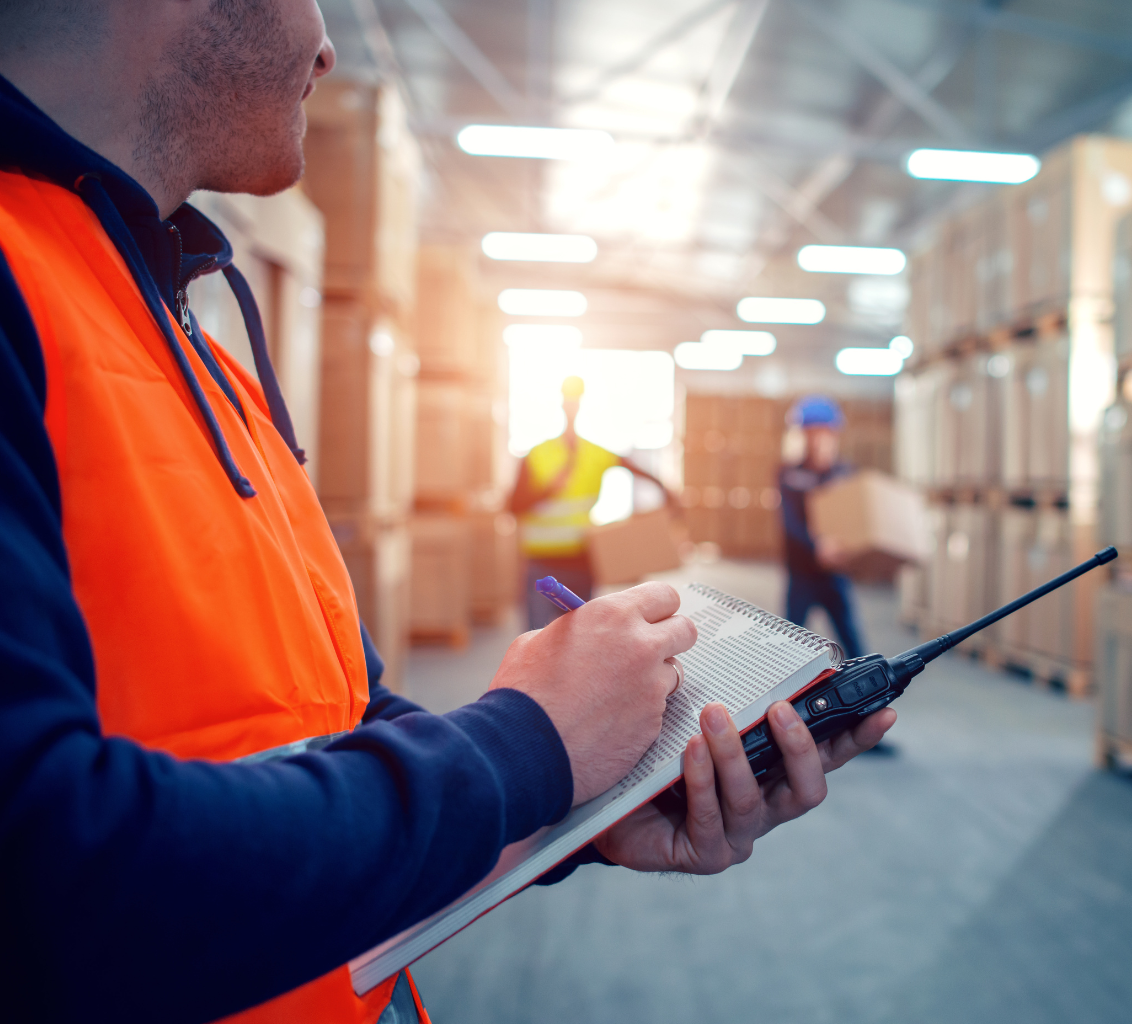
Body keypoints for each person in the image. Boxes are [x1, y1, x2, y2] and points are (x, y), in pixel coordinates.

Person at [0, 3, 896, 1023]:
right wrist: (528, 745)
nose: (330, 43)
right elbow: (45, 878)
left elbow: (331, 732)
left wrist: (581, 803)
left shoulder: (190, 343)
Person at [509, 375, 675, 629]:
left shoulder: (595, 453)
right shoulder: (537, 454)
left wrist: (668, 494)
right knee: (536, 641)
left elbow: (639, 472)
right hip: (542, 565)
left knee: (581, 638)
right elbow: (512, 506)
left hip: (581, 561)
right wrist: (547, 491)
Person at [778, 395, 866, 658]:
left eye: (824, 433)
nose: (818, 439)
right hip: (801, 571)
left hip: (834, 572)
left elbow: (851, 518)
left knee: (850, 636)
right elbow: (790, 523)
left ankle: (870, 690)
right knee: (789, 637)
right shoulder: (788, 473)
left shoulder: (845, 471)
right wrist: (815, 545)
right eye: (811, 433)